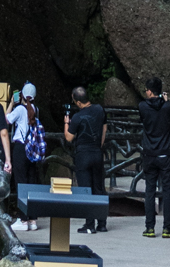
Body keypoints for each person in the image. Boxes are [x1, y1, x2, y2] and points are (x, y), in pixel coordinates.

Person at [138, 76, 170, 239]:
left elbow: (144, 119)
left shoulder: (142, 106)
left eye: (146, 90)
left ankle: (149, 227)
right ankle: (167, 228)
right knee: (167, 191)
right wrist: (166, 102)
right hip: (165, 153)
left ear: (150, 91)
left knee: (149, 191)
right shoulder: (168, 107)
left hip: (149, 153)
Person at [64, 85, 108, 234]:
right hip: (97, 152)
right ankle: (102, 223)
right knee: (99, 188)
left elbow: (69, 137)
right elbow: (104, 128)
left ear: (78, 102)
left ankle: (89, 225)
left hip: (83, 155)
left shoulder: (77, 117)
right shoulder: (99, 110)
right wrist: (99, 145)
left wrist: (66, 122)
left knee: (86, 189)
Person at [7, 83, 44, 231]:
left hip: (21, 148)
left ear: (21, 95)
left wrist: (11, 103)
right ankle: (32, 220)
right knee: (31, 181)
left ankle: (23, 220)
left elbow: (6, 120)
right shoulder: (36, 109)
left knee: (21, 183)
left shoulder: (19, 109)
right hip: (32, 149)